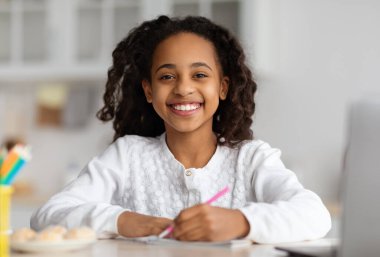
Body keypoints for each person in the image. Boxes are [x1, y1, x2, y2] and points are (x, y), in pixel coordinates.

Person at [31, 15, 331, 243]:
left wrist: (241, 222)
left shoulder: (251, 160)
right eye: (167, 77)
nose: (184, 88)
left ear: (223, 87)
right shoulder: (128, 156)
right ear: (149, 91)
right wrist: (123, 220)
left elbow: (315, 216)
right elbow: (47, 216)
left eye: (200, 74)